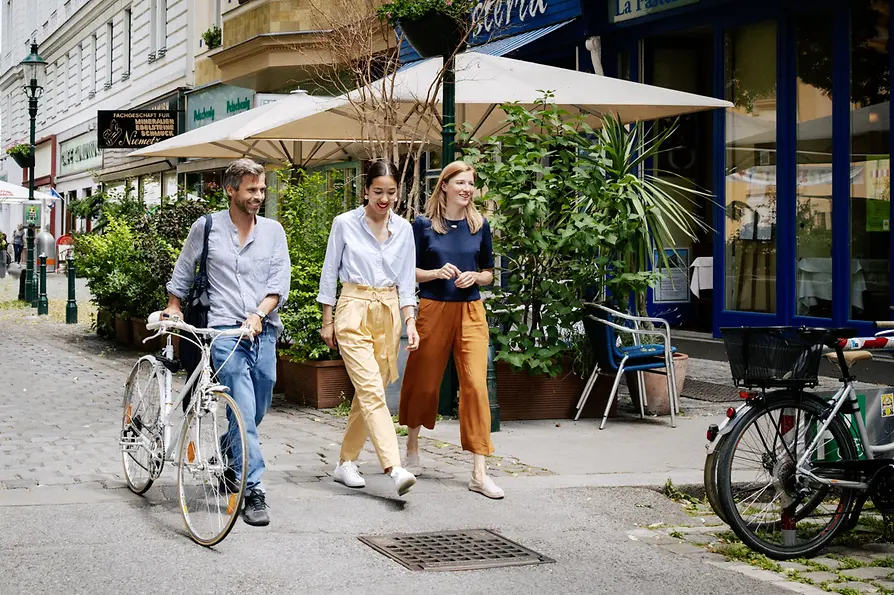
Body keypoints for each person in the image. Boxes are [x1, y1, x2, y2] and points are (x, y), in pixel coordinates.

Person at [164, 158, 290, 527]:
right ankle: (252, 490)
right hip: (223, 334)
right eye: (251, 189)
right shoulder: (207, 228)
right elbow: (184, 271)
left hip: (263, 330)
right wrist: (174, 307)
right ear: (230, 190)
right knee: (243, 405)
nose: (258, 196)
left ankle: (229, 451)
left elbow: (278, 284)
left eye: (262, 189)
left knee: (258, 405)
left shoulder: (273, 232)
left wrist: (259, 315)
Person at [398, 161, 503, 499]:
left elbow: (488, 271)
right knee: (424, 382)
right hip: (433, 307)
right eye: (460, 182)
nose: (467, 189)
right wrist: (434, 273)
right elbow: (406, 271)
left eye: (471, 183)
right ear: (444, 185)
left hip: (471, 310)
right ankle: (412, 448)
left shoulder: (479, 225)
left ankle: (479, 471)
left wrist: (477, 277)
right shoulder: (424, 225)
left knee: (475, 385)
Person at [318, 160, 420, 497]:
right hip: (353, 308)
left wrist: (410, 322)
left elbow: (406, 280)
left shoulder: (404, 229)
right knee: (373, 391)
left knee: (369, 390)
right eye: (378, 191)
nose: (385, 199)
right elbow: (329, 271)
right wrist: (327, 320)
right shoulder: (344, 224)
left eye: (391, 192)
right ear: (366, 190)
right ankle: (394, 467)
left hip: (388, 312)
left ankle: (345, 462)